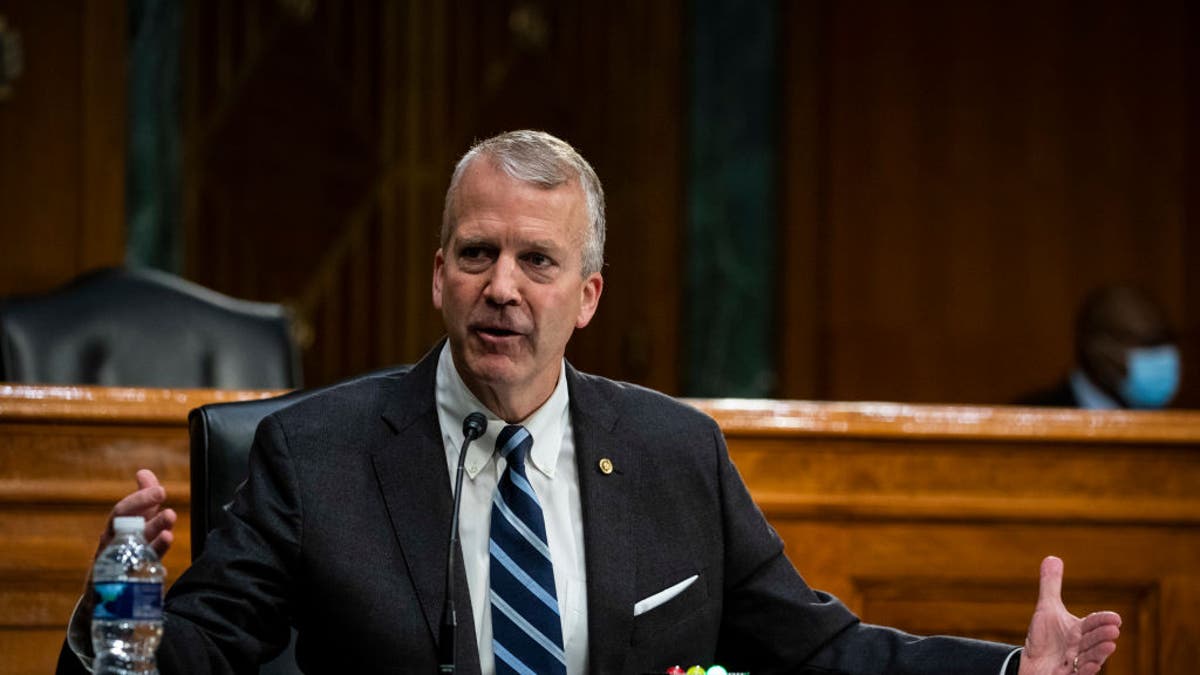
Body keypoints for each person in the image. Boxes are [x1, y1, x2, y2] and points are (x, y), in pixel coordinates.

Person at [62, 130, 1121, 674]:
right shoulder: (316, 454)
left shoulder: (676, 455)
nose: (503, 286)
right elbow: (187, 661)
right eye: (477, 254)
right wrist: (122, 596)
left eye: (537, 259)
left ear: (588, 295)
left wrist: (1012, 669)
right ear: (438, 276)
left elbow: (820, 654)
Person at [1018, 285, 1181, 409]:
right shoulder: (1032, 417)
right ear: (1094, 347)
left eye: (1162, 340)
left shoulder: (1184, 425)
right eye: (1139, 342)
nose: (1156, 354)